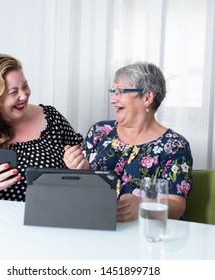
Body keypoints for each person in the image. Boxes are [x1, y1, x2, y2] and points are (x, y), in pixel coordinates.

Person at [63, 62, 193, 222]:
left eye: (120, 91)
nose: (112, 99)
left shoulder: (174, 145)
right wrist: (79, 170)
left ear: (147, 97)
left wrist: (142, 205)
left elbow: (177, 206)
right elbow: (82, 191)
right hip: (98, 225)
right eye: (113, 91)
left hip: (146, 233)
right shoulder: (99, 131)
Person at [0, 54, 83, 201]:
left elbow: (84, 168)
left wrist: (81, 166)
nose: (24, 96)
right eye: (13, 92)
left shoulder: (51, 118)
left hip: (50, 215)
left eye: (25, 86)